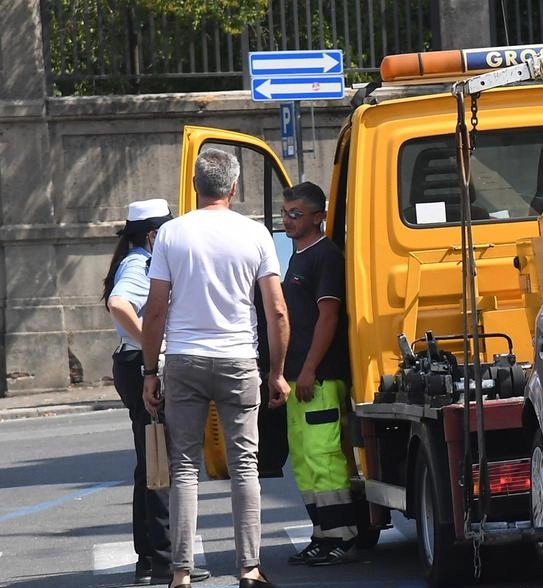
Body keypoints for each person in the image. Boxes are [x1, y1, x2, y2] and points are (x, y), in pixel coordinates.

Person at [141, 147, 291, 588]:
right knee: (245, 464)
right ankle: (249, 567)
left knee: (184, 465)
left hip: (185, 359)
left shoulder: (171, 234)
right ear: (235, 187)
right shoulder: (256, 234)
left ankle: (181, 572)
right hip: (238, 359)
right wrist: (277, 370)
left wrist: (151, 370)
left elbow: (154, 311)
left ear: (194, 186)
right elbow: (277, 310)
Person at [102, 199, 211, 586]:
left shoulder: (136, 259)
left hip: (132, 365)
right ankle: (164, 559)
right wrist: (156, 345)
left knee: (150, 463)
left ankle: (149, 557)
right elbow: (119, 304)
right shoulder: (141, 263)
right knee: (161, 464)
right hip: (143, 367)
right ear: (153, 234)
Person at [279, 182, 358, 566]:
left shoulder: (325, 256)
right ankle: (321, 533)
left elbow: (328, 316)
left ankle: (341, 535)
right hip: (297, 378)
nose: (288, 220)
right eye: (285, 212)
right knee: (304, 458)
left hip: (320, 377)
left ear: (318, 216)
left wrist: (309, 369)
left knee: (324, 455)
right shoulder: (297, 257)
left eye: (296, 214)